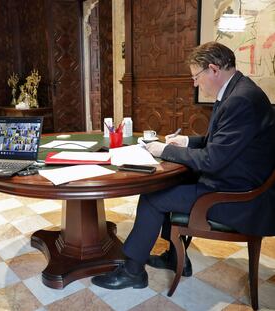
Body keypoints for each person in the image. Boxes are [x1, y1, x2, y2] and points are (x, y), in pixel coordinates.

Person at [91, 41, 275, 290]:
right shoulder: (238, 91)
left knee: (153, 196)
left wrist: (165, 150)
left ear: (213, 69)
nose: (195, 83)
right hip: (236, 180)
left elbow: (213, 160)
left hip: (237, 197)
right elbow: (220, 144)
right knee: (171, 181)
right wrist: (187, 140)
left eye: (196, 77)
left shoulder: (240, 100)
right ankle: (175, 257)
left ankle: (133, 271)